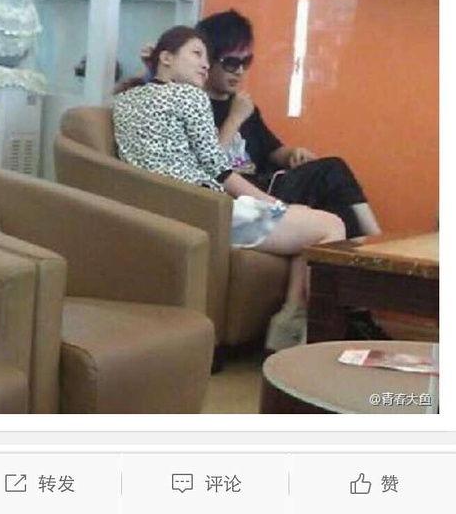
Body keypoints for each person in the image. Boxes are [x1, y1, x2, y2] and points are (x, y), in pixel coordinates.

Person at [113, 25, 346, 349]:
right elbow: (218, 168)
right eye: (196, 54)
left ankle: (290, 320)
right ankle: (309, 331)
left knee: (305, 222)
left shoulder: (125, 99)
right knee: (331, 226)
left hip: (161, 213)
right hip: (208, 214)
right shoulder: (189, 96)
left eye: (207, 57)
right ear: (166, 57)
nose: (205, 64)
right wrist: (272, 204)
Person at [195, 10, 381, 240]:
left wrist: (293, 154)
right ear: (208, 60)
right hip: (240, 195)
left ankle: (370, 247)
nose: (240, 71)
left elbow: (273, 150)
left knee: (336, 198)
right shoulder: (196, 106)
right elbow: (208, 166)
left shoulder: (243, 105)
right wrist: (234, 119)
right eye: (231, 63)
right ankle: (376, 242)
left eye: (246, 62)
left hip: (267, 184)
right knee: (332, 170)